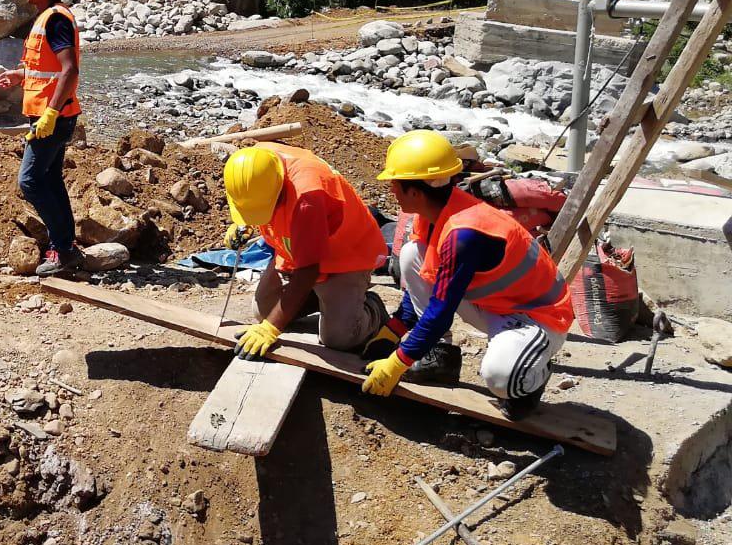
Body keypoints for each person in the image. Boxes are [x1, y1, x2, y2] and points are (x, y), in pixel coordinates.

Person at [361, 130, 574, 419]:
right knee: (412, 253)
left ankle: (532, 377)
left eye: (394, 184)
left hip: (539, 318)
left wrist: (397, 362)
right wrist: (394, 330)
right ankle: (438, 355)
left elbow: (441, 309)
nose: (391, 190)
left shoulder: (465, 234)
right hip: (496, 305)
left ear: (414, 192)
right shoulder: (434, 215)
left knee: (500, 378)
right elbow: (426, 278)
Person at [223, 144, 389, 358]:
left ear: (279, 189)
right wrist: (244, 221)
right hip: (296, 247)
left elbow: (309, 270)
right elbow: (250, 193)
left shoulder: (307, 200)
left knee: (339, 338)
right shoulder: (254, 162)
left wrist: (270, 329)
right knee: (263, 311)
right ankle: (317, 298)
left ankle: (371, 309)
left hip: (344, 255)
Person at [0, 0, 83, 277]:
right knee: (50, 179)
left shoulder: (56, 19)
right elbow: (47, 68)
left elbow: (69, 69)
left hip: (53, 118)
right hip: (53, 115)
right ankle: (66, 246)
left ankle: (62, 248)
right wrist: (21, 75)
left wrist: (50, 114)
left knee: (30, 181)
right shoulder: (49, 16)